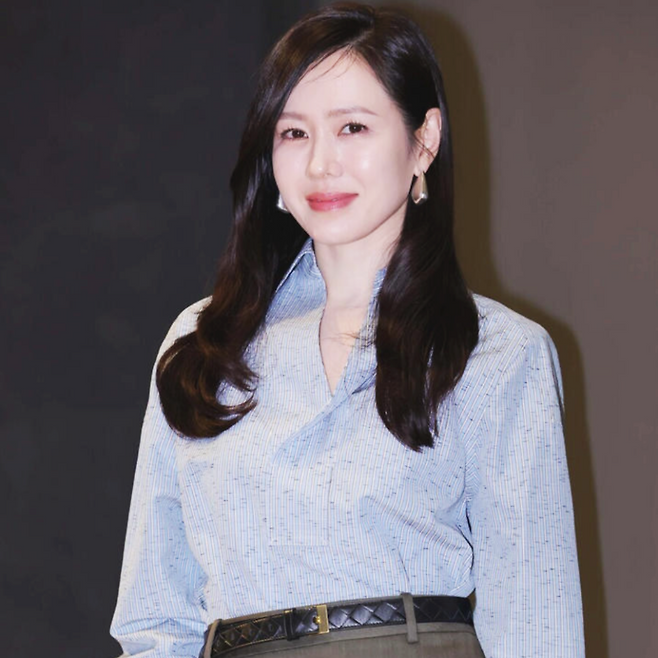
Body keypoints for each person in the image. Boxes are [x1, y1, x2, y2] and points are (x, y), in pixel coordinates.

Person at [110, 3, 585, 657]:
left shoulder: (498, 353)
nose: (320, 164)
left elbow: (536, 623)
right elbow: (155, 619)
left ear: (424, 140)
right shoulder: (202, 345)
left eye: (353, 127)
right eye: (294, 133)